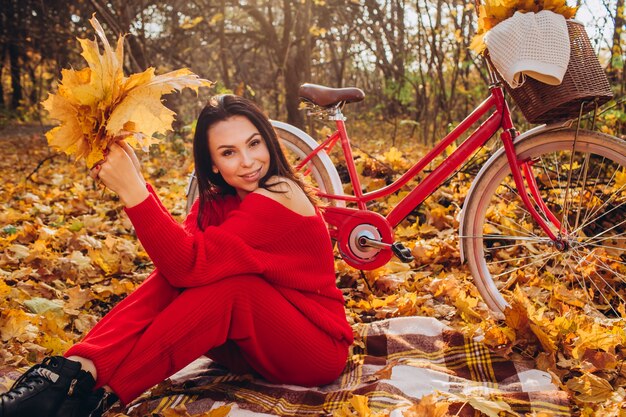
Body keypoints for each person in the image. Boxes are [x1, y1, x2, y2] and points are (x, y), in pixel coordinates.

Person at [0, 95, 354, 417]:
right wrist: (133, 175)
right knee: (180, 280)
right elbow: (176, 271)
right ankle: (69, 375)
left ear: (269, 142)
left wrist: (133, 190)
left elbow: (189, 265)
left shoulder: (282, 192)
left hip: (314, 349)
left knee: (233, 288)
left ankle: (97, 398)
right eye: (228, 152)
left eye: (254, 143)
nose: (248, 162)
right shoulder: (215, 204)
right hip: (249, 348)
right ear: (213, 163)